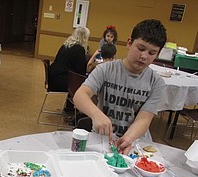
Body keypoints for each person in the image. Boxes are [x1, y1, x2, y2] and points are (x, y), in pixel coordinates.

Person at [73, 19, 167, 155]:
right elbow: (80, 96)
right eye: (140, 48)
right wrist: (96, 114)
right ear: (129, 43)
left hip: (135, 143)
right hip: (102, 140)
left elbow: (144, 119)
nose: (143, 56)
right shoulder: (105, 70)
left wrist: (128, 138)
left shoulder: (156, 83)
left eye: (152, 53)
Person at [48, 26, 90, 111]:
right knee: (84, 84)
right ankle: (78, 111)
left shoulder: (65, 45)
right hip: (61, 81)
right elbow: (80, 71)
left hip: (53, 78)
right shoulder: (79, 49)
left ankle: (69, 108)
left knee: (74, 80)